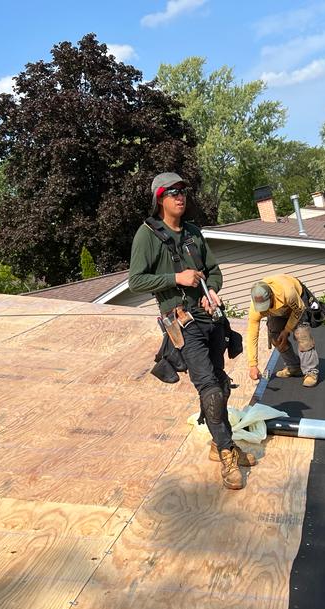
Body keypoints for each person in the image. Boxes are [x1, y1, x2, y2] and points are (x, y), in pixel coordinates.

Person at [129, 172, 256, 490]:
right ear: (160, 199)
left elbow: (213, 271)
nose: (180, 196)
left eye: (183, 191)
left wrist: (211, 290)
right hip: (181, 322)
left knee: (221, 384)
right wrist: (176, 278)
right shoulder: (147, 235)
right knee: (209, 388)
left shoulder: (193, 232)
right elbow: (136, 281)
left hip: (209, 318)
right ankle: (227, 454)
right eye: (172, 192)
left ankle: (219, 443)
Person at [246, 275, 319, 388]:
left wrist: (286, 330)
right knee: (275, 337)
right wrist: (253, 365)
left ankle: (311, 372)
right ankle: (294, 367)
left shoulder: (288, 293)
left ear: (271, 296)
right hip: (277, 310)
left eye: (266, 305)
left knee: (302, 334)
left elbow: (298, 310)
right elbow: (252, 335)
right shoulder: (255, 307)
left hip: (296, 302)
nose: (263, 309)